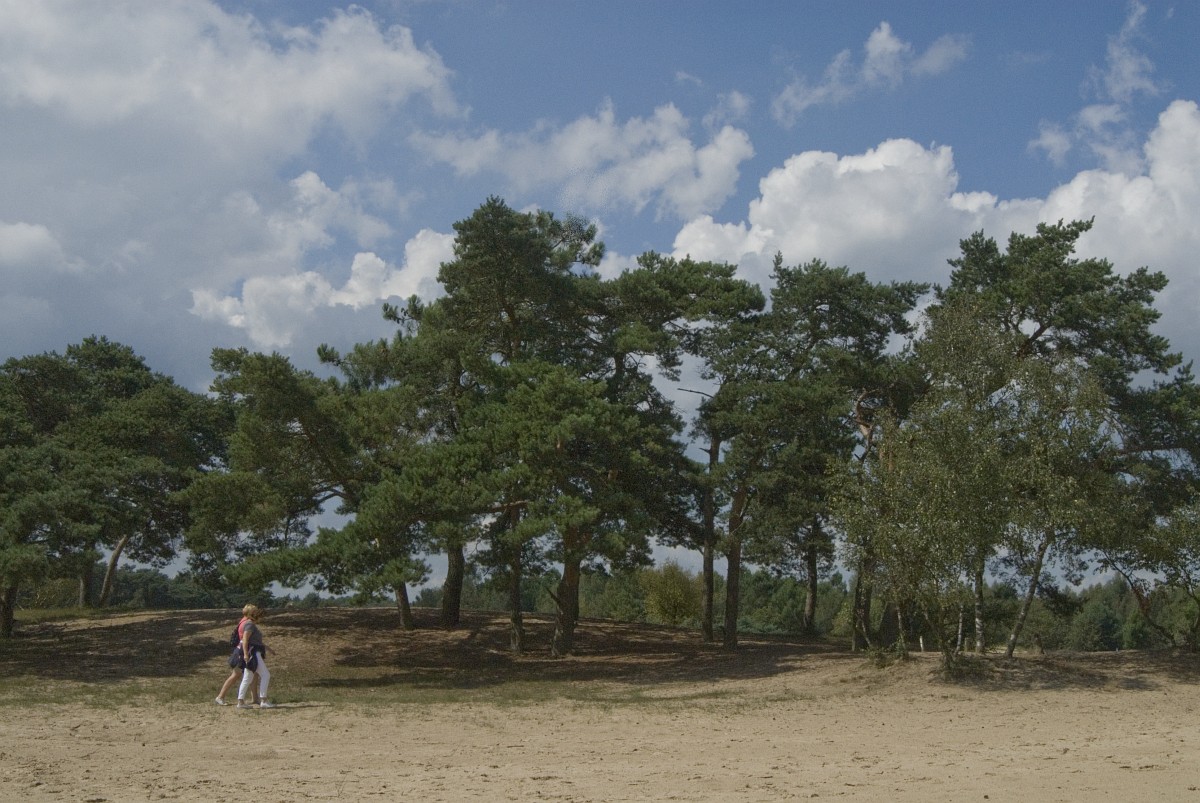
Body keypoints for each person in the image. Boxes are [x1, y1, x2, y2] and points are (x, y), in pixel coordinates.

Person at [236, 604, 275, 709]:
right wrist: (245, 654)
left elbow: (254, 640)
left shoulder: (250, 624)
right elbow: (245, 640)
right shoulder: (250, 624)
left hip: (252, 652)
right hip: (253, 653)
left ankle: (241, 702)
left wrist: (268, 649)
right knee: (265, 675)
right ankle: (263, 700)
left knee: (248, 677)